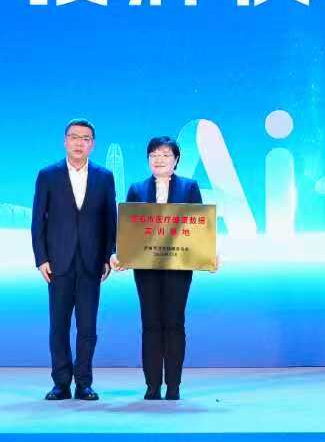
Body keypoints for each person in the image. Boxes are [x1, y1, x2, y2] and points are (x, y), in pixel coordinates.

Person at [31, 119, 116, 401]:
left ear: (93, 144)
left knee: (87, 327)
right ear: (65, 141)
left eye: (86, 138)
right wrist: (41, 258)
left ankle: (84, 383)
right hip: (58, 262)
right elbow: (37, 221)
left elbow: (110, 220)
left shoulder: (104, 177)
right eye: (74, 137)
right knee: (59, 326)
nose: (80, 143)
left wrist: (108, 255)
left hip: (92, 262)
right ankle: (61, 383)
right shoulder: (48, 175)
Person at [112, 136, 203, 400]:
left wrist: (208, 255)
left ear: (176, 159)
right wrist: (120, 254)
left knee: (174, 323)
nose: (159, 159)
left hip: (179, 266)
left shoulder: (189, 187)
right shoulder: (137, 189)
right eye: (153, 155)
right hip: (146, 268)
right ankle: (152, 385)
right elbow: (127, 227)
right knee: (150, 323)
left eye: (165, 155)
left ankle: (173, 385)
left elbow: (200, 226)